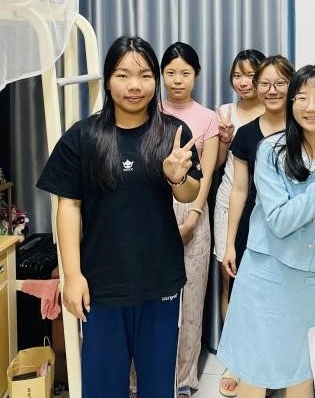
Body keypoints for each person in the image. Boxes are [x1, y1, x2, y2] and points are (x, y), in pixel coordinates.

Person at [36, 35, 201, 398]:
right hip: (102, 285)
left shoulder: (173, 133)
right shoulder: (84, 137)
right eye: (123, 75)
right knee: (103, 387)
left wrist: (177, 176)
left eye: (144, 75)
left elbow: (188, 193)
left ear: (155, 80)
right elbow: (68, 208)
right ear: (108, 80)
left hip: (160, 281)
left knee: (157, 386)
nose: (134, 86)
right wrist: (72, 275)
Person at [218, 63, 315, 398]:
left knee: (301, 378)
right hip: (266, 281)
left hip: (310, 289)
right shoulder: (271, 151)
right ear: (292, 103)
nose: (311, 106)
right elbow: (279, 221)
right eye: (302, 97)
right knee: (255, 375)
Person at [219, 54, 293, 397]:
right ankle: (244, 365)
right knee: (249, 301)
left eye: (280, 83)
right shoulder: (246, 135)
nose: (272, 90)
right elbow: (239, 189)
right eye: (265, 83)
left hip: (293, 229)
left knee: (285, 302)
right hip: (253, 228)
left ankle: (281, 368)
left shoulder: (304, 128)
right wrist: (230, 243)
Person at [160, 41, 220, 398]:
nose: (177, 80)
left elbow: (207, 173)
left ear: (196, 75)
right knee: (152, 300)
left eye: (185, 72)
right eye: (170, 72)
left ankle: (184, 380)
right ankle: (142, 379)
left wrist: (194, 216)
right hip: (155, 207)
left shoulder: (207, 117)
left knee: (192, 299)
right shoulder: (150, 112)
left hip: (194, 207)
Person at [214, 49, 266, 321]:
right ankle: (229, 345)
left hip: (264, 204)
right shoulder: (225, 112)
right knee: (229, 280)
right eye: (237, 75)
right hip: (228, 200)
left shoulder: (274, 111)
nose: (243, 82)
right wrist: (225, 139)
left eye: (250, 75)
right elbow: (218, 163)